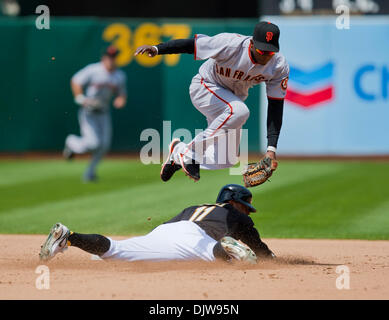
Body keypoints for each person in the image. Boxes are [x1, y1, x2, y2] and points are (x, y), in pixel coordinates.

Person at [135, 21, 289, 182]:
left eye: (270, 53)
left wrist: (271, 148)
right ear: (251, 43)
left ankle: (178, 152)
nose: (265, 56)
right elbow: (190, 45)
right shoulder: (230, 44)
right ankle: (190, 153)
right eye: (261, 50)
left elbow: (276, 106)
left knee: (225, 160)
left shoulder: (278, 65)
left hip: (231, 102)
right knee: (241, 111)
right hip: (205, 87)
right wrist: (157, 48)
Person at [39, 184, 275, 263]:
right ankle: (226, 248)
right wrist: (272, 260)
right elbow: (260, 250)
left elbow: (168, 229)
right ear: (234, 202)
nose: (248, 212)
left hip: (164, 231)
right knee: (212, 253)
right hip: (196, 238)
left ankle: (68, 236)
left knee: (115, 249)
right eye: (246, 206)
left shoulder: (195, 207)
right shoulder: (237, 215)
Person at [63, 46, 127, 182]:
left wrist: (120, 100)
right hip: (89, 111)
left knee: (104, 145)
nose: (111, 60)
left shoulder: (119, 76)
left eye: (114, 57)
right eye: (109, 57)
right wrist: (80, 97)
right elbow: (75, 81)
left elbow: (121, 94)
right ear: (104, 58)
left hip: (103, 112)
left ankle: (89, 173)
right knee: (93, 143)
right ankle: (71, 142)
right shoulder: (94, 70)